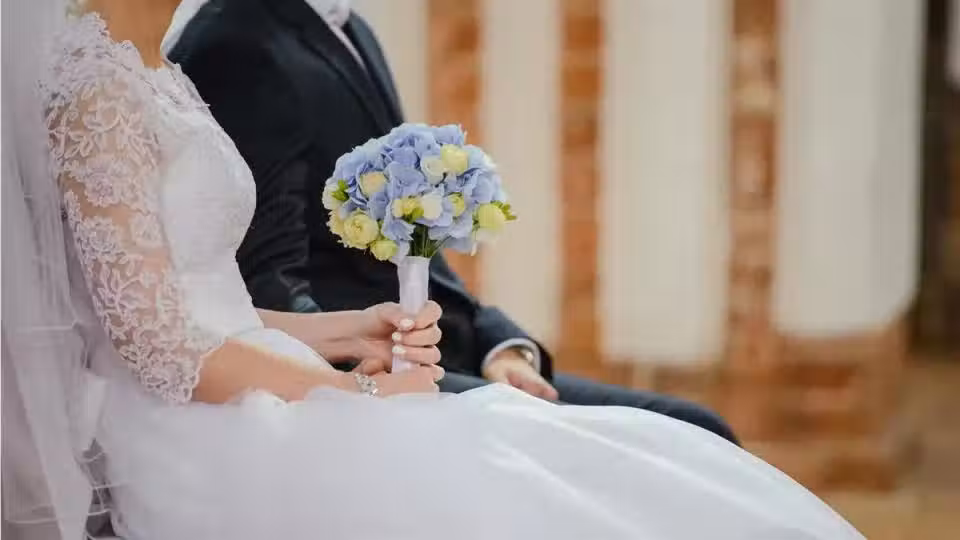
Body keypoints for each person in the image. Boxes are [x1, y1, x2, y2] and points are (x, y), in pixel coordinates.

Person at [2, 0, 865, 538]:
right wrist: (355, 390)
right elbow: (159, 345)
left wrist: (347, 330)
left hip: (262, 381)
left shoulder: (153, 71)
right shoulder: (94, 91)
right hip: (190, 434)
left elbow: (206, 300)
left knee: (610, 453)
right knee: (501, 484)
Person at [165, 0, 739, 443]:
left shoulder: (352, 29)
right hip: (364, 371)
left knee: (696, 427)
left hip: (447, 353)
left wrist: (500, 347)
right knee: (667, 448)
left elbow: (413, 245)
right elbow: (267, 281)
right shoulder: (236, 45)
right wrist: (371, 381)